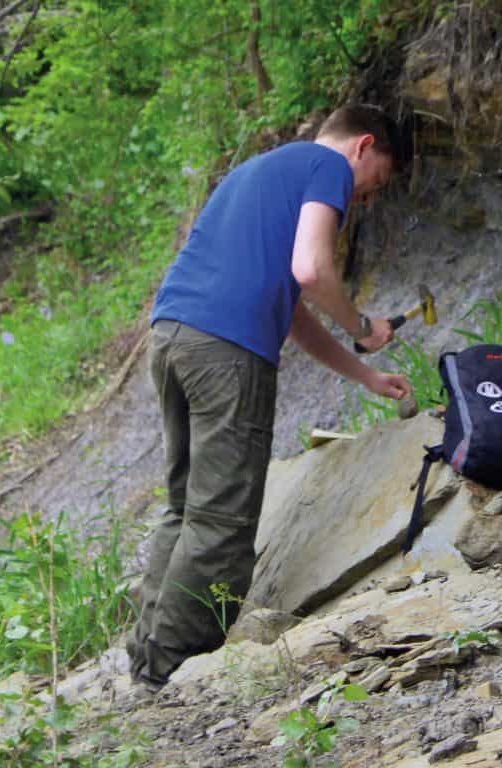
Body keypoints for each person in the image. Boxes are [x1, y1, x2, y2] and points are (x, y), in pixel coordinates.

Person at [126, 104, 412, 690]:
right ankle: (170, 678)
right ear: (362, 146)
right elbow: (311, 269)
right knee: (222, 522)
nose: (363, 199)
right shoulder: (325, 167)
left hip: (173, 333)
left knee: (184, 509)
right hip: (226, 353)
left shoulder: (258, 171)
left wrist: (365, 374)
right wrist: (361, 325)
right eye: (374, 182)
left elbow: (292, 312)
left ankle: (144, 658)